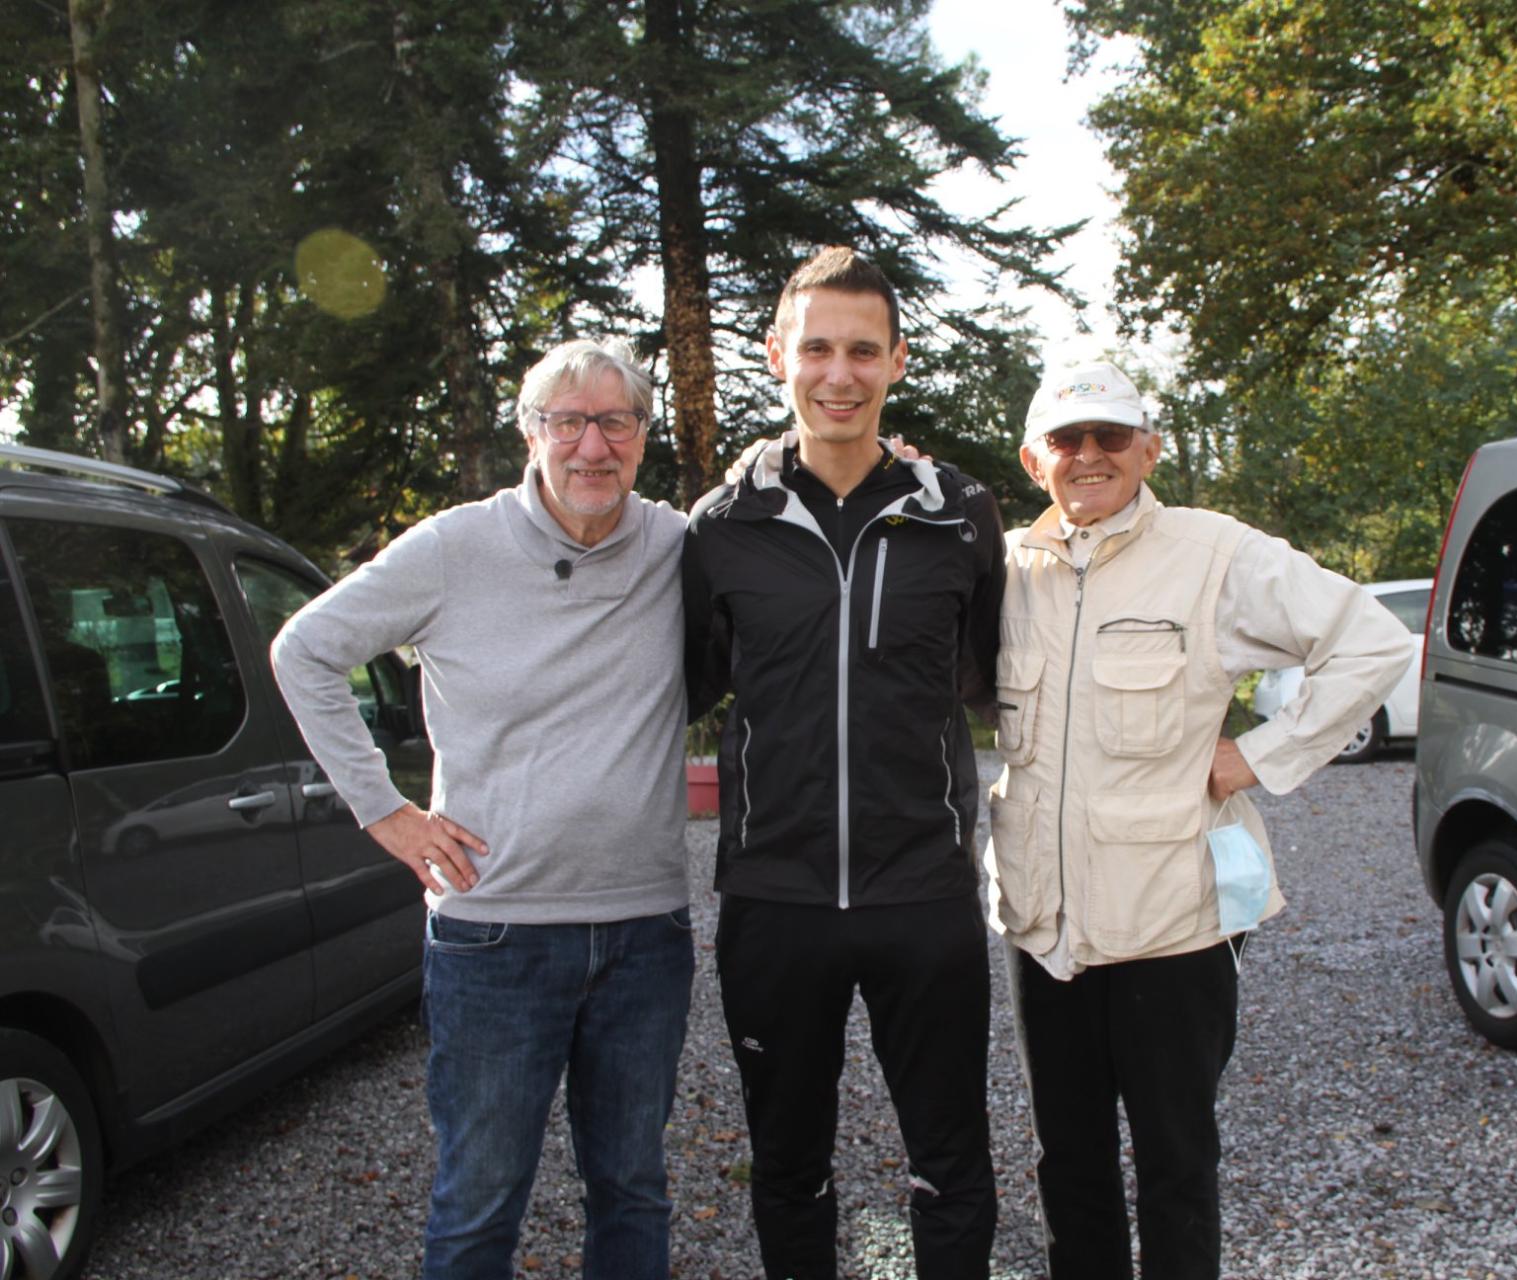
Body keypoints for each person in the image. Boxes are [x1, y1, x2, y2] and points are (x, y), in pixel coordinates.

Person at [271, 338, 694, 1280]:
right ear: (530, 432)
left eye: (615, 421)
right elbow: (304, 651)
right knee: (479, 1200)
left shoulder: (676, 545)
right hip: (495, 937)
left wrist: (887, 459)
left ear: (641, 434)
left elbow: (776, 512)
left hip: (644, 933)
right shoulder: (453, 548)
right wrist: (385, 812)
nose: (593, 446)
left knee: (633, 1189)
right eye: (568, 422)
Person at [985, 360, 1414, 1279]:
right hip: (1045, 930)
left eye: (1111, 436)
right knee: (1068, 1162)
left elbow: (1371, 641)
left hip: (1174, 927)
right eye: (1067, 439)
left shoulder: (1215, 554)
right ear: (1033, 459)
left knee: (1176, 1163)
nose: (1089, 455)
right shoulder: (1007, 569)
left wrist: (1258, 756)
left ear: (1149, 450)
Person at [681, 246, 1005, 1280]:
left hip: (924, 894)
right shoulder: (722, 525)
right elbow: (676, 689)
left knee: (951, 1160)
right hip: (776, 899)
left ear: (897, 360)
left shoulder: (959, 513)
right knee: (787, 1165)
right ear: (778, 355)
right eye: (817, 348)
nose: (839, 373)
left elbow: (1006, 679)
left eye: (863, 351)